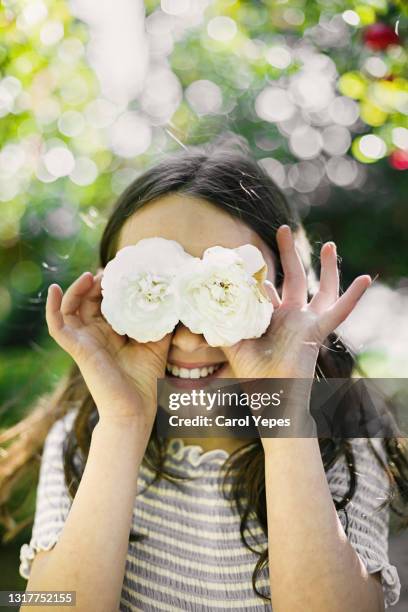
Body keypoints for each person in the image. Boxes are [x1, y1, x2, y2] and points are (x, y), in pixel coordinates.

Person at [17, 136, 406, 611]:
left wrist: (282, 409)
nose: (188, 337)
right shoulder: (83, 437)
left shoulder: (341, 432)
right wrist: (123, 425)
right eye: (157, 288)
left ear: (285, 291)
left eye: (221, 288)